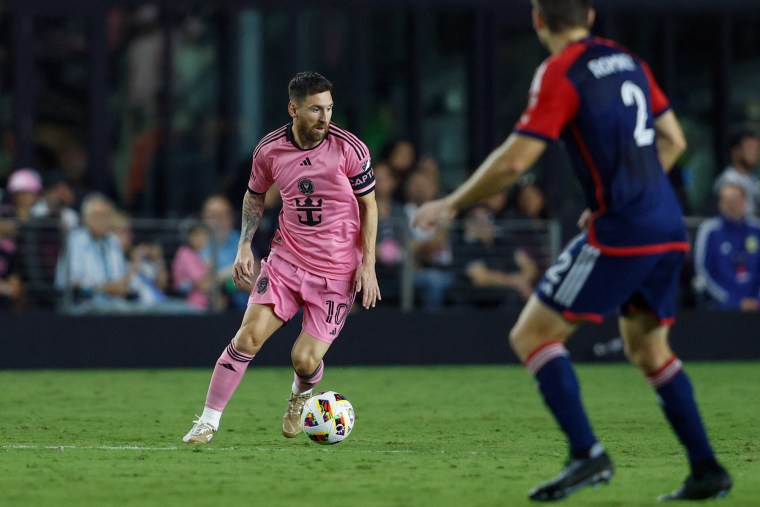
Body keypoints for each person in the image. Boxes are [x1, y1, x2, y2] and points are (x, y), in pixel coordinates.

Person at [413, 0, 732, 501]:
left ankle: (587, 453)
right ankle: (707, 469)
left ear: (538, 19)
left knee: (532, 334)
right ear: (590, 14)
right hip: (668, 224)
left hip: (624, 229)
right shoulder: (628, 61)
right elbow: (673, 139)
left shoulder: (561, 72)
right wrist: (633, 187)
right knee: (649, 349)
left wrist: (452, 202)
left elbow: (517, 157)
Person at [183, 71, 380, 444]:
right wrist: (244, 244)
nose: (325, 118)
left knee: (304, 360)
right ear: (293, 109)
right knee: (248, 337)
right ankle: (207, 421)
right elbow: (254, 195)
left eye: (329, 109)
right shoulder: (270, 150)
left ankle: (300, 394)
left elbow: (369, 206)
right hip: (286, 261)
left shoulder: (350, 149)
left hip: (337, 273)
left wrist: (367, 265)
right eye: (315, 110)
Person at [693, 177, 760, 311]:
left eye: (737, 199)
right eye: (728, 200)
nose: (733, 204)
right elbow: (703, 271)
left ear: (745, 201)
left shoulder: (757, 228)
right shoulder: (709, 230)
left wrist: (757, 299)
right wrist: (734, 301)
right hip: (722, 309)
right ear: (720, 204)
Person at [712, 130, 760, 215]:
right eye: (750, 148)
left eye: (757, 149)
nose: (755, 153)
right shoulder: (728, 180)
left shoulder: (753, 179)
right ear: (735, 152)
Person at [172, 220, 214, 311]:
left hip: (205, 304)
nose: (201, 239)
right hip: (190, 305)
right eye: (196, 235)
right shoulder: (185, 254)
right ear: (189, 237)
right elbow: (203, 284)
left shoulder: (201, 254)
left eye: (203, 235)